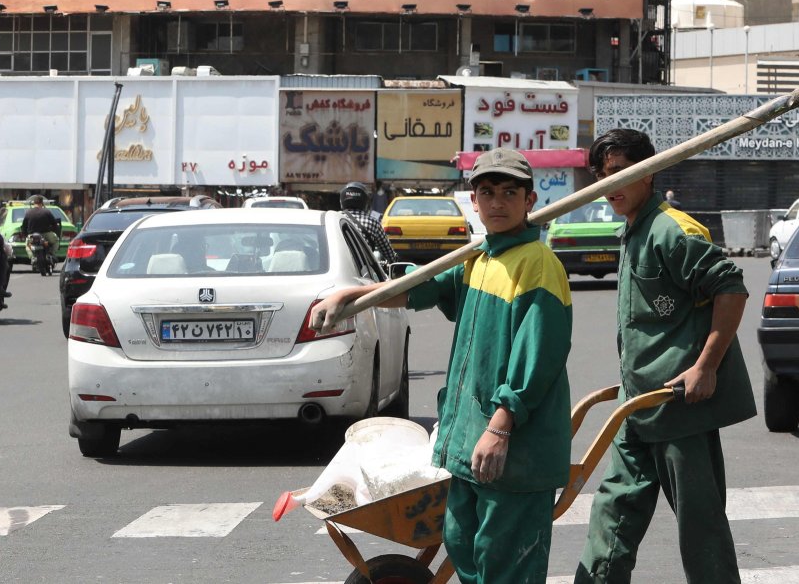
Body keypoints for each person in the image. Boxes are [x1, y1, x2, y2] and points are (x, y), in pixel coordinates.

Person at [312, 149, 572, 584]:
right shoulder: (480, 259)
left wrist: (500, 427)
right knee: (466, 554)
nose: (498, 202)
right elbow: (422, 288)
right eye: (487, 192)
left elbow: (539, 358)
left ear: (530, 200)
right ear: (474, 201)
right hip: (468, 445)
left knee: (506, 569)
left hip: (512, 452)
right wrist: (348, 296)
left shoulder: (538, 266)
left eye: (510, 192)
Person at [573, 128, 755, 584]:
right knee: (613, 512)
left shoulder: (672, 230)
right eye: (600, 176)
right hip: (637, 406)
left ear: (649, 174)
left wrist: (706, 366)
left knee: (700, 526)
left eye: (620, 173)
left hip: (680, 406)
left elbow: (731, 289)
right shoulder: (633, 230)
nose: (609, 185)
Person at [339, 181, 395, 265]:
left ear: (342, 201)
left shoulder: (333, 218)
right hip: (364, 273)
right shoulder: (373, 223)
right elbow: (390, 255)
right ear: (365, 202)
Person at [20, 195, 61, 271]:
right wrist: (54, 231)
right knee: (56, 241)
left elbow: (24, 226)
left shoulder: (28, 212)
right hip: (46, 235)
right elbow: (54, 224)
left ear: (34, 203)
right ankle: (51, 254)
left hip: (32, 236)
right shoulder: (47, 212)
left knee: (27, 246)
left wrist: (26, 236)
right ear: (42, 203)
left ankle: (32, 258)